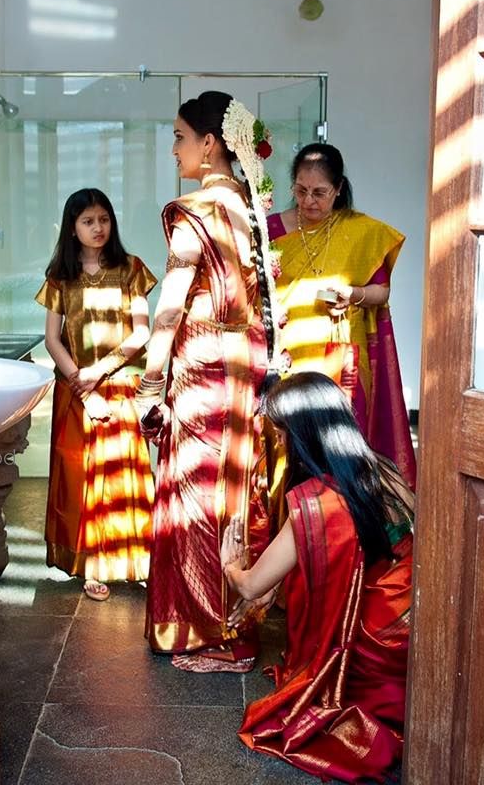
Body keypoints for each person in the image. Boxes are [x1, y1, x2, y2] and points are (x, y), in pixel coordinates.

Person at [135, 91, 279, 672]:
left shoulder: (198, 209)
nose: (175, 150)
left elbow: (170, 306)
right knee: (236, 483)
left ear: (209, 143)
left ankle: (205, 629)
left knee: (196, 490)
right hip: (244, 362)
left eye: (179, 137)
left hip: (203, 363)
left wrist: (149, 383)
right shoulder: (250, 208)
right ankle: (234, 616)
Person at [221, 371, 414, 782]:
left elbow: (250, 584)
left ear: (301, 437)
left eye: (281, 436)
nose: (280, 446)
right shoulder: (385, 469)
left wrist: (229, 563)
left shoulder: (319, 501)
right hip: (417, 609)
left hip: (380, 636)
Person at [266, 143, 416, 493]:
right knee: (291, 444)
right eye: (300, 191)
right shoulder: (272, 229)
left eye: (320, 193)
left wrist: (354, 295)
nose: (309, 201)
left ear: (338, 189)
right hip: (291, 354)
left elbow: (382, 293)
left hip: (340, 357)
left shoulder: (361, 231)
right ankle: (290, 523)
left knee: (340, 443)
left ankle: (346, 521)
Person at [35, 188, 158, 601]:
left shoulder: (131, 269)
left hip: (119, 384)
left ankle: (134, 561)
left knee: (124, 474)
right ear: (73, 227)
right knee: (81, 476)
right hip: (75, 391)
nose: (98, 228)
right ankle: (91, 564)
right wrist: (81, 383)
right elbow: (52, 339)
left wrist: (98, 372)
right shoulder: (60, 278)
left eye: (103, 219)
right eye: (88, 221)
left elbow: (142, 333)